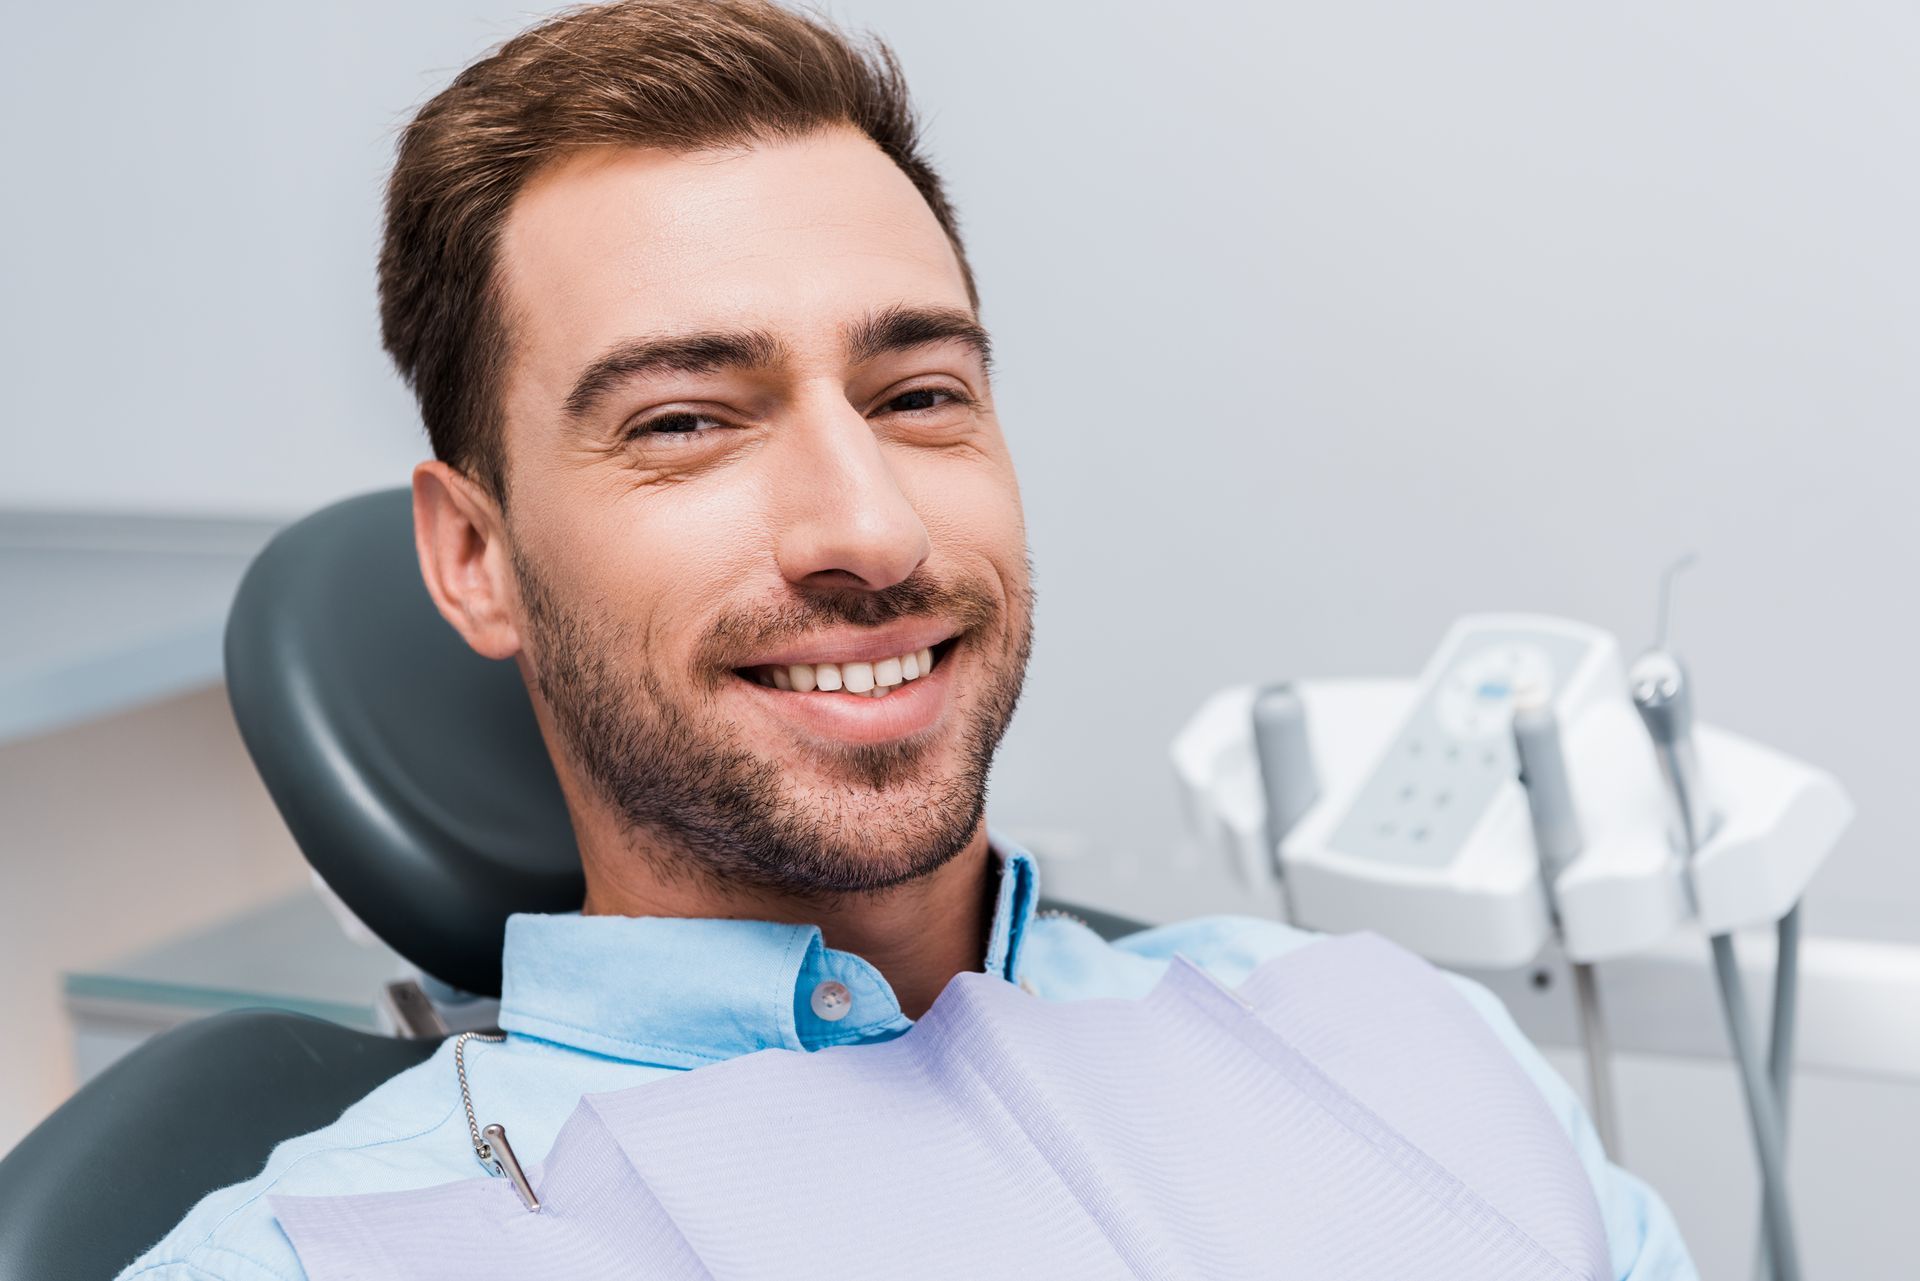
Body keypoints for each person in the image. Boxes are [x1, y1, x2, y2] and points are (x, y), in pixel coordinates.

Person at [121, 2, 1696, 1276]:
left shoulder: (1402, 1039)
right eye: (686, 421)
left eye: (919, 394)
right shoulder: (318, 1253)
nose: (870, 530)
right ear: (476, 558)